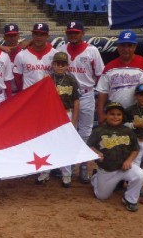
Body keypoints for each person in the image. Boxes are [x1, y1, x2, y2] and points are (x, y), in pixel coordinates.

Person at [57, 21, 105, 184]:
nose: (73, 35)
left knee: (85, 133)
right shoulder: (62, 50)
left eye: (76, 32)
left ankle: (83, 166)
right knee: (68, 132)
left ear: (82, 33)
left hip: (86, 94)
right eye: (70, 32)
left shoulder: (92, 51)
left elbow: (100, 75)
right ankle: (68, 167)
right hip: (66, 97)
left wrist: (98, 95)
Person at [96, 30, 143, 125]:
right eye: (123, 45)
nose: (126, 49)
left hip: (138, 113)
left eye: (129, 45)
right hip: (116, 113)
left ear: (135, 46)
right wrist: (100, 113)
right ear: (118, 47)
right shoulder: (109, 67)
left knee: (138, 139)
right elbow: (102, 93)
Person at [87, 102, 143, 212]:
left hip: (124, 168)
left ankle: (130, 200)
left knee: (140, 175)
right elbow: (89, 146)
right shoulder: (99, 131)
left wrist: (129, 160)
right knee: (102, 196)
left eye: (119, 114)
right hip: (108, 169)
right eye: (112, 114)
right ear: (106, 115)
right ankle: (95, 178)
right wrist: (97, 152)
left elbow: (135, 149)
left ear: (122, 116)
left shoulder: (128, 131)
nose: (115, 117)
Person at [35, 52, 80, 188]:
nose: (60, 66)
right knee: (47, 143)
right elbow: (41, 100)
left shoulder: (71, 79)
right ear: (53, 64)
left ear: (67, 66)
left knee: (65, 144)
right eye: (57, 64)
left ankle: (66, 174)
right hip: (49, 115)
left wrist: (75, 120)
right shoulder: (47, 78)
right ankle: (45, 172)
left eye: (63, 64)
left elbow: (76, 101)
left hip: (65, 113)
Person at [13, 23, 58, 91]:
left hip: (47, 93)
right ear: (32, 35)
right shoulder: (21, 55)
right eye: (36, 34)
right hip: (29, 95)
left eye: (42, 34)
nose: (38, 37)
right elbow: (17, 78)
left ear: (47, 36)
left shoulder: (55, 54)